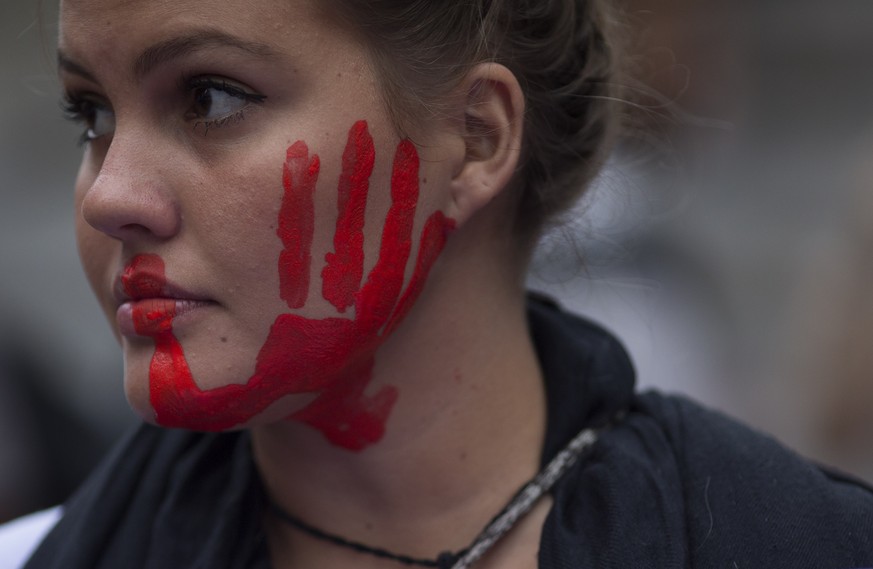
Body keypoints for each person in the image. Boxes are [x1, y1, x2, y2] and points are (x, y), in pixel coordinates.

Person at [4, 0, 873, 567]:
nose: (111, 194)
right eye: (93, 114)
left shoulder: (802, 543)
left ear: (477, 136)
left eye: (213, 98)